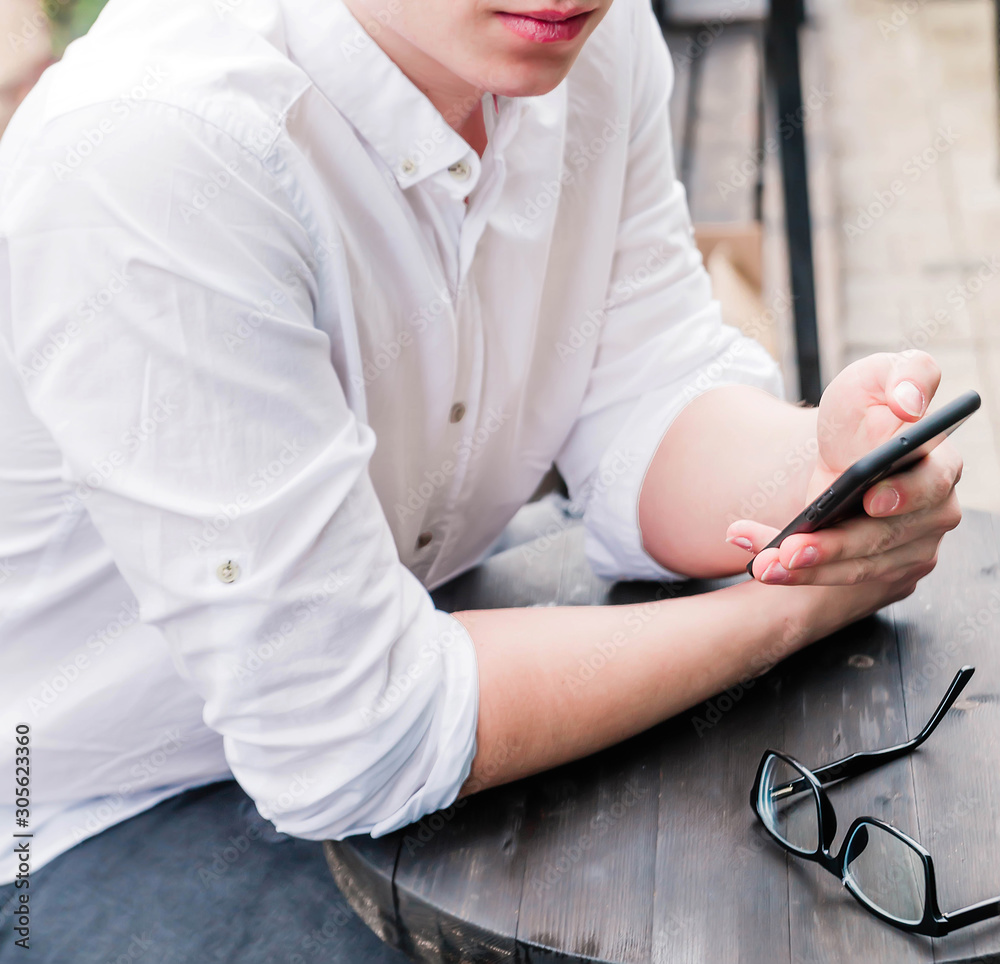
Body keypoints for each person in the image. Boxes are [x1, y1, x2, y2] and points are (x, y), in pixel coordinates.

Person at [0, 0, 963, 959]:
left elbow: (644, 394)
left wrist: (829, 472)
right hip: (85, 818)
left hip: (411, 682)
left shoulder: (577, 36)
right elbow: (356, 735)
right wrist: (785, 615)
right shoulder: (163, 150)